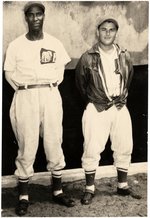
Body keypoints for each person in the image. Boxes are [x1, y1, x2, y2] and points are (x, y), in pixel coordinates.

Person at [4, 1, 75, 216]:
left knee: (54, 141)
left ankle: (58, 191)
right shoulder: (16, 45)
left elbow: (61, 68)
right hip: (26, 96)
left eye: (39, 15)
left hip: (50, 94)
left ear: (44, 17)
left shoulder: (54, 42)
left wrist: (48, 88)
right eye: (31, 15)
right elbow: (9, 73)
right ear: (25, 18)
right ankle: (24, 197)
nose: (35, 18)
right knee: (27, 144)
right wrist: (25, 90)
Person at [75, 17, 141, 205]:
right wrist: (94, 100)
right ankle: (89, 188)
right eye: (104, 29)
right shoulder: (88, 56)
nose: (107, 33)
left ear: (116, 32)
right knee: (92, 148)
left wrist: (120, 98)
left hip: (119, 106)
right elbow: (80, 84)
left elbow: (128, 78)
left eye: (111, 30)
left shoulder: (124, 55)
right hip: (97, 107)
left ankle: (122, 185)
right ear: (98, 32)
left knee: (124, 145)